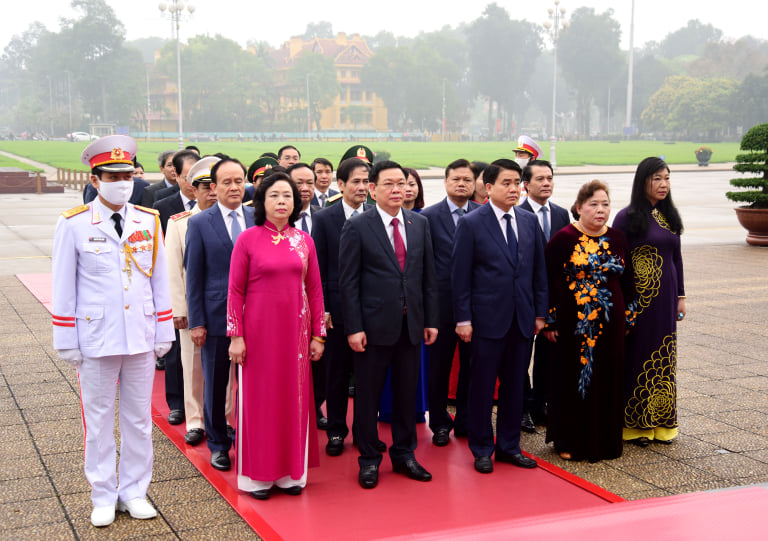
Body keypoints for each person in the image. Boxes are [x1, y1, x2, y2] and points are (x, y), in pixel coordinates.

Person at [52, 135, 174, 527]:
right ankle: (103, 494)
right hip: (96, 338)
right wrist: (67, 339)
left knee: (139, 419)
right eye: (113, 175)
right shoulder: (73, 224)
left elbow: (158, 280)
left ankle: (135, 491)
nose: (122, 181)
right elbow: (63, 286)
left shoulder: (147, 219)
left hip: (139, 334)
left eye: (128, 174)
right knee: (99, 421)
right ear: (96, 178)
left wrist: (163, 331)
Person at [339, 160, 439, 489]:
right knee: (367, 396)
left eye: (402, 183)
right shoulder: (357, 226)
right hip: (372, 327)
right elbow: (348, 282)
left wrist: (430, 320)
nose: (398, 190)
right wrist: (354, 327)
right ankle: (368, 458)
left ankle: (404, 453)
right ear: (373, 189)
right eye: (389, 184)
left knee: (406, 395)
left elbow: (427, 278)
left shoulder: (419, 223)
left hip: (411, 326)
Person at [228, 172, 326, 500]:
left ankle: (289, 472)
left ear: (295, 202)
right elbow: (235, 291)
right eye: (274, 195)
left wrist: (318, 336)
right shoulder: (248, 239)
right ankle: (257, 476)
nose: (281, 200)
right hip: (257, 335)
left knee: (292, 400)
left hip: (296, 336)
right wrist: (236, 336)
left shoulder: (304, 241)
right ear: (262, 202)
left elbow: (315, 290)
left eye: (287, 195)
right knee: (259, 402)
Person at [451, 158, 547, 474]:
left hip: (522, 320)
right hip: (485, 321)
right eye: (505, 183)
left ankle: (508, 446)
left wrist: (539, 313)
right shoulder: (472, 223)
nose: (513, 189)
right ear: (489, 187)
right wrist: (463, 319)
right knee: (481, 387)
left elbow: (538, 273)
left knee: (514, 387)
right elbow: (460, 276)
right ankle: (481, 447)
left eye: (516, 183)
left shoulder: (528, 221)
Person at [543, 180, 637, 462]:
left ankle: (606, 441)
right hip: (575, 324)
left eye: (605, 204)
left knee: (609, 378)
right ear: (579, 207)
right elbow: (546, 281)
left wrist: (630, 316)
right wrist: (550, 320)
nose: (600, 210)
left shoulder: (619, 238)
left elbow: (629, 281)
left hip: (611, 324)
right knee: (574, 379)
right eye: (593, 204)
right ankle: (569, 440)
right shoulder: (564, 238)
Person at [185, 158, 255, 472]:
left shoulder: (259, 217)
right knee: (215, 383)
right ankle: (218, 443)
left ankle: (253, 440)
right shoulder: (200, 222)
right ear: (213, 187)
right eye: (226, 182)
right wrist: (197, 321)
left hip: (257, 316)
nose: (234, 187)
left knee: (254, 383)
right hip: (215, 317)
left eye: (238, 181)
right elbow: (194, 276)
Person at [613, 157, 686, 446]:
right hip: (639, 302)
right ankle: (635, 426)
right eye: (657, 178)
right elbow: (616, 260)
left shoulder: (670, 217)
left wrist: (681, 296)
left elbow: (676, 258)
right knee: (638, 355)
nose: (663, 184)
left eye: (667, 178)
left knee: (664, 358)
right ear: (643, 181)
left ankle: (662, 424)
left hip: (666, 301)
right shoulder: (626, 216)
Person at [165, 156, 231, 447]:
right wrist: (180, 310)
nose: (211, 192)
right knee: (192, 367)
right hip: (193, 309)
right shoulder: (180, 223)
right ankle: (195, 420)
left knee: (225, 371)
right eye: (204, 186)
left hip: (224, 309)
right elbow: (174, 270)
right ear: (194, 189)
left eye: (214, 186)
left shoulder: (234, 221)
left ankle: (225, 418)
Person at [312, 157, 372, 456]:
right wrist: (322, 309)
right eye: (356, 182)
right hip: (335, 311)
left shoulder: (376, 215)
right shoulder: (324, 219)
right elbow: (317, 269)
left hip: (370, 310)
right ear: (341, 184)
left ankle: (365, 433)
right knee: (336, 374)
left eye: (366, 182)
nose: (362, 188)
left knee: (367, 377)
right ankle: (336, 431)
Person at [421, 158, 480, 446]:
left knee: (473, 366)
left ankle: (468, 420)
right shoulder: (427, 218)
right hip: (441, 307)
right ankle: (440, 422)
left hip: (477, 305)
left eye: (467, 180)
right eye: (456, 179)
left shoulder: (484, 215)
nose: (461, 184)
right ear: (445, 182)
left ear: (475, 183)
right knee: (438, 368)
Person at [519, 159, 571, 431]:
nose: (546, 182)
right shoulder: (517, 213)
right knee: (521, 354)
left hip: (557, 297)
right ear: (525, 185)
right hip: (526, 296)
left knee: (548, 355)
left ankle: (542, 404)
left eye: (549, 177)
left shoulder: (562, 214)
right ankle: (523, 407)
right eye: (539, 179)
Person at [287, 162, 326, 428]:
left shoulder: (324, 217)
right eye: (298, 183)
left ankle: (316, 408)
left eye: (309, 183)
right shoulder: (273, 221)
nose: (305, 188)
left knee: (320, 361)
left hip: (317, 301)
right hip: (286, 304)